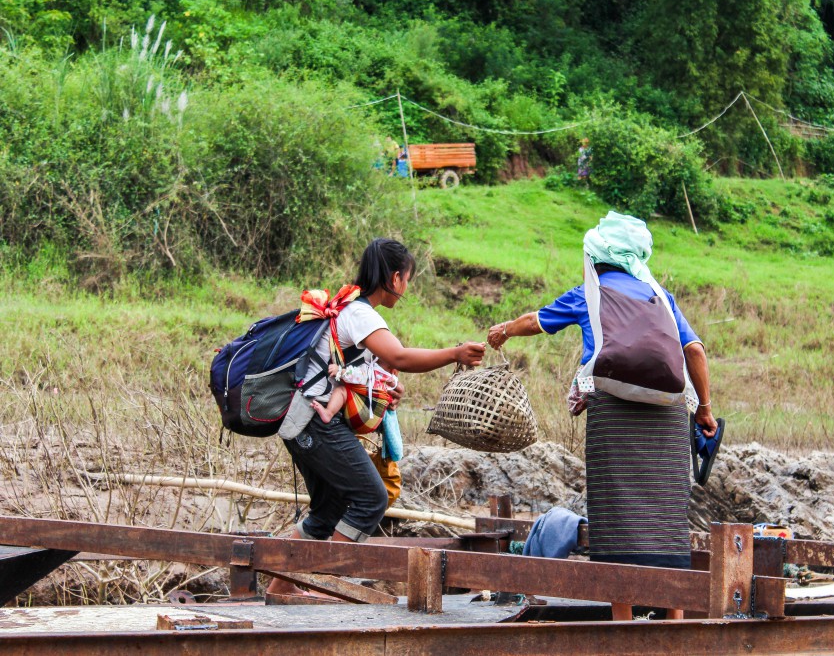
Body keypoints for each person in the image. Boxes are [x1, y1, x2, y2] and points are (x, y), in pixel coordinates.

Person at [486, 212, 718, 621]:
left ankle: (623, 625)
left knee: (617, 516)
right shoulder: (660, 296)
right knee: (666, 519)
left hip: (613, 414)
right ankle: (676, 625)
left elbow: (535, 321)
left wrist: (503, 330)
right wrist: (704, 410)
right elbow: (695, 352)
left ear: (595, 255)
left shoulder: (589, 293)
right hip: (667, 419)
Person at [266, 238, 485, 598]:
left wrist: (386, 392)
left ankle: (281, 592)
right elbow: (399, 357)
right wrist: (455, 353)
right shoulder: (360, 312)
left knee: (328, 510)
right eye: (408, 280)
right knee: (371, 497)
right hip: (314, 423)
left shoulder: (348, 309)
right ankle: (324, 589)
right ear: (395, 278)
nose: (406, 288)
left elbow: (366, 376)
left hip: (305, 422)